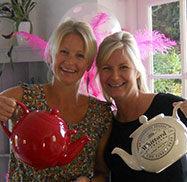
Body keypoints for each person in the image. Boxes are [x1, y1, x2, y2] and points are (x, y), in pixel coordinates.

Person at [0, 19, 112, 182]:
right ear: (51, 55)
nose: (70, 61)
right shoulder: (25, 97)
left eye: (80, 55)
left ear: (88, 64)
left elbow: (102, 173)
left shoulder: (101, 113)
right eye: (64, 52)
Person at [95, 31, 187, 182]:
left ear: (137, 71)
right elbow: (102, 174)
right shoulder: (107, 125)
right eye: (106, 68)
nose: (115, 76)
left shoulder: (169, 107)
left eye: (123, 67)